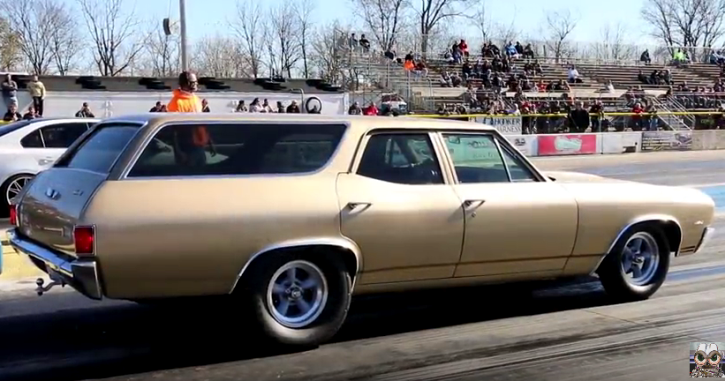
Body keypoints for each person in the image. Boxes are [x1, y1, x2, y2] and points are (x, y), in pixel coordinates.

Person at [167, 71, 215, 167]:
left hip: (200, 147)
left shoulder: (196, 99)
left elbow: (201, 124)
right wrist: (178, 152)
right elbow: (173, 131)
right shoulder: (176, 102)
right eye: (194, 82)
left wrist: (210, 142)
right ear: (187, 83)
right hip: (186, 148)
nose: (196, 84)